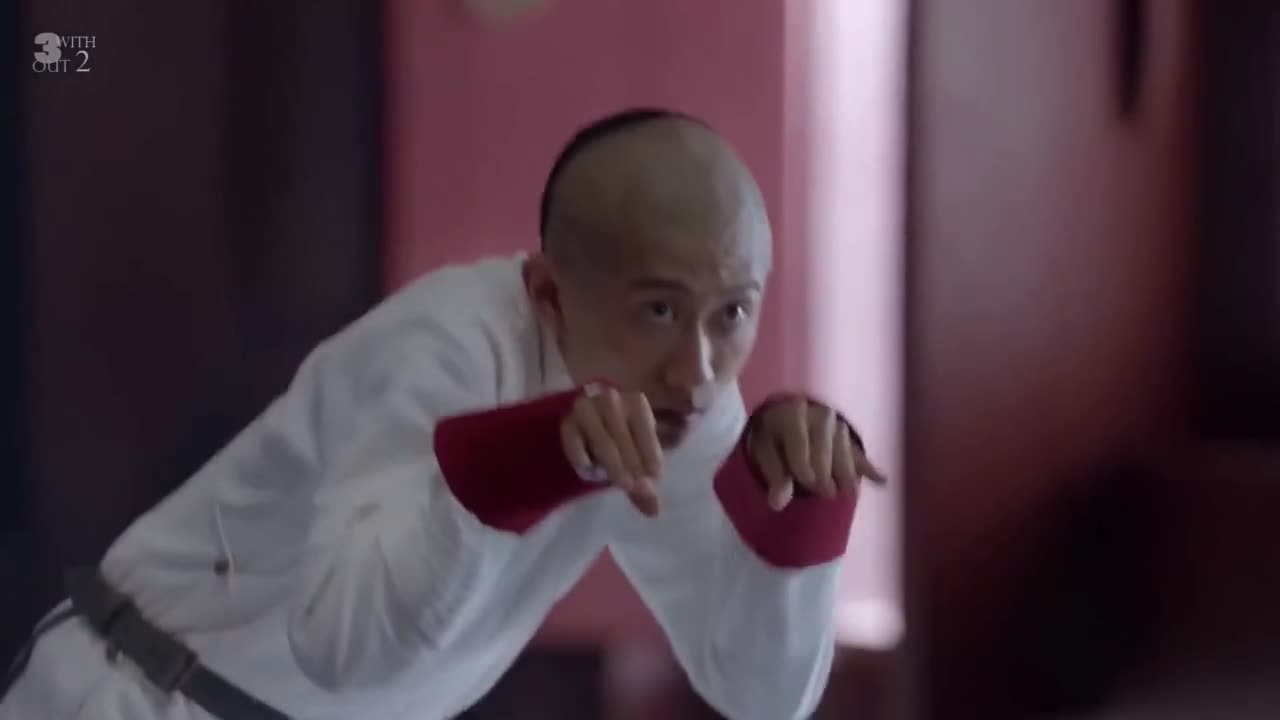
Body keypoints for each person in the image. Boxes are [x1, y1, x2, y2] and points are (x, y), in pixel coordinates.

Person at [0, 108, 885, 720]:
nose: (698, 370)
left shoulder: (681, 398)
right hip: (136, 696)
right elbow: (339, 646)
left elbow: (759, 695)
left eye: (733, 312)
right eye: (658, 309)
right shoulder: (446, 347)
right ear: (549, 292)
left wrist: (795, 516)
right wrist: (520, 464)